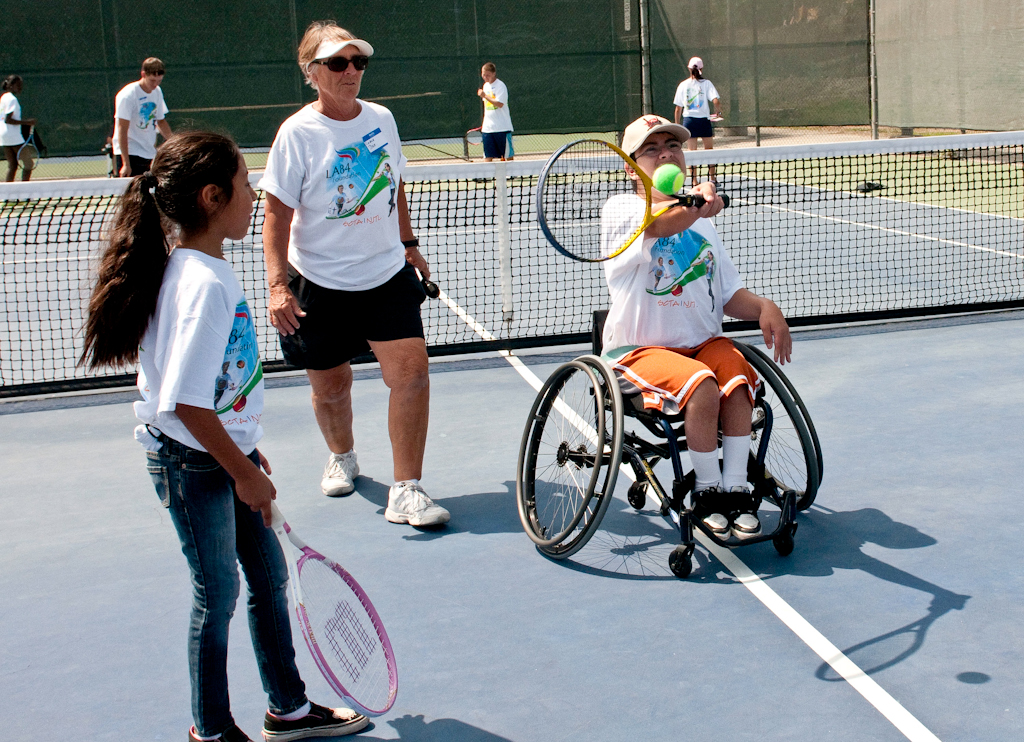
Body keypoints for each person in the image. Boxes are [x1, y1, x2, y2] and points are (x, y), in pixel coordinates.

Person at [77, 131, 369, 742]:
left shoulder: (197, 268)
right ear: (213, 198)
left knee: (268, 580)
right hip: (193, 464)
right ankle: (209, 732)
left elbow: (212, 391)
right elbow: (182, 400)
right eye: (244, 185)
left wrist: (244, 448)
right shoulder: (204, 284)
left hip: (217, 452)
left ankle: (287, 710)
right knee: (217, 597)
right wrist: (242, 472)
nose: (254, 194)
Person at [259, 21, 449, 527]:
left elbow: (394, 182)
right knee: (331, 388)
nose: (351, 71)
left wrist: (409, 244)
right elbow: (275, 213)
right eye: (338, 63)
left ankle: (407, 489)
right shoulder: (296, 134)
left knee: (411, 376)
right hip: (315, 282)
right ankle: (342, 454)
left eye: (358, 62)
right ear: (312, 72)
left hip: (386, 275)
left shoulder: (382, 119)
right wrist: (278, 285)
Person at [601, 115, 792, 541]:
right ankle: (707, 493)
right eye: (652, 148)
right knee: (702, 385)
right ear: (632, 166)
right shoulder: (623, 210)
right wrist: (696, 202)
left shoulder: (703, 223)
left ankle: (736, 488)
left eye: (673, 145)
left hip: (702, 344)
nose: (666, 153)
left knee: (737, 375)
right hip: (638, 352)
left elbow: (728, 297)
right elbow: (658, 225)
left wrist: (765, 306)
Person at [113, 57, 172, 177]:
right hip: (130, 154)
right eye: (152, 80)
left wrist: (175, 142)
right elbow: (122, 129)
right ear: (143, 74)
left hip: (149, 154)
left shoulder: (157, 92)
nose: (155, 84)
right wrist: (126, 164)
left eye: (159, 81)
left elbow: (160, 121)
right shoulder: (127, 95)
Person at [673, 57, 722, 186]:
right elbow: (715, 100)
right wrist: (718, 112)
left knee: (692, 153)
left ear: (689, 68)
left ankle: (694, 181)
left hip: (689, 122)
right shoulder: (707, 83)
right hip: (704, 122)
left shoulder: (683, 85)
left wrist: (678, 125)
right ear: (701, 69)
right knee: (709, 150)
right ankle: (712, 178)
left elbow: (678, 108)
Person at [1, 75, 36, 182]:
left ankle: (7, 195)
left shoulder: (4, 97)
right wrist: (27, 122)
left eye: (21, 85)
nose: (20, 88)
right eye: (18, 85)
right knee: (29, 164)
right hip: (13, 136)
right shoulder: (12, 99)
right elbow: (9, 120)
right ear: (10, 86)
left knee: (12, 165)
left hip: (3, 136)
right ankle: (23, 192)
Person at [477, 62, 514, 162]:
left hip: (502, 128)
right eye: (483, 74)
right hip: (488, 129)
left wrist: (485, 96)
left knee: (507, 156)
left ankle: (511, 176)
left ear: (494, 73)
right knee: (488, 157)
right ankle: (488, 177)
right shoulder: (485, 86)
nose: (485, 77)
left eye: (487, 75)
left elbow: (499, 104)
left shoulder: (500, 86)